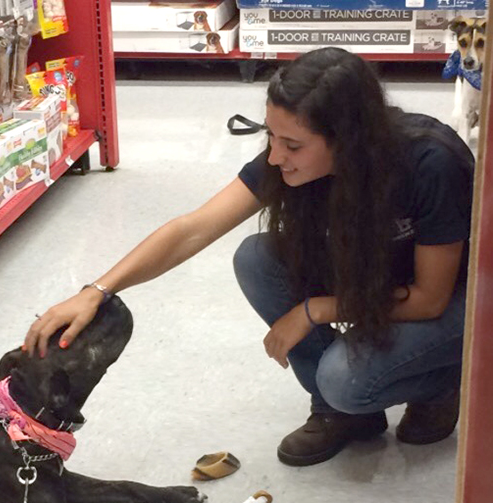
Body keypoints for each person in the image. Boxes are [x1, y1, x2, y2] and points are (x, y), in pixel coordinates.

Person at [24, 47, 475, 467]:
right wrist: (97, 290)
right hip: (382, 280)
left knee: (346, 381)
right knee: (257, 258)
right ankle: (341, 412)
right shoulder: (293, 157)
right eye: (271, 137)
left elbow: (430, 299)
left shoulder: (429, 163)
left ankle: (440, 382)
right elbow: (193, 228)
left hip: (455, 306)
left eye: (293, 146)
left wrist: (314, 310)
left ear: (349, 140)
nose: (276, 156)